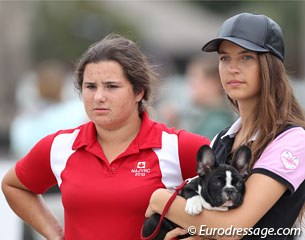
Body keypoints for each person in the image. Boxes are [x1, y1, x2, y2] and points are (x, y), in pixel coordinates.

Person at [1, 33, 210, 240]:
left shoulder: (178, 146)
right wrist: (55, 234)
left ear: (139, 92)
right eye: (90, 87)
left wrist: (200, 236)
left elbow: (236, 211)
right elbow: (13, 186)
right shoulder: (60, 146)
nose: (99, 97)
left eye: (111, 86)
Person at [146, 12, 305, 240]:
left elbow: (233, 228)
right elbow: (207, 218)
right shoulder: (222, 139)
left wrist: (161, 200)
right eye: (224, 58)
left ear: (270, 66)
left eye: (246, 57)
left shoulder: (292, 139)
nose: (232, 68)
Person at [185, 53, 236, 139]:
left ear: (213, 83)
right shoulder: (211, 117)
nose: (191, 84)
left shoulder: (216, 123)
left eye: (195, 78)